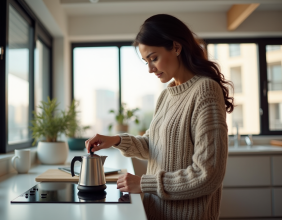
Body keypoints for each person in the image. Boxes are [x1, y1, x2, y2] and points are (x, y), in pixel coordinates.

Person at [85, 14, 234, 220]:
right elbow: (154, 146)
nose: (149, 69)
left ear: (176, 47)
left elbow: (208, 175)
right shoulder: (167, 94)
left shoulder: (205, 90)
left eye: (153, 58)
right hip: (156, 212)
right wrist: (116, 140)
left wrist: (143, 183)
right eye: (146, 61)